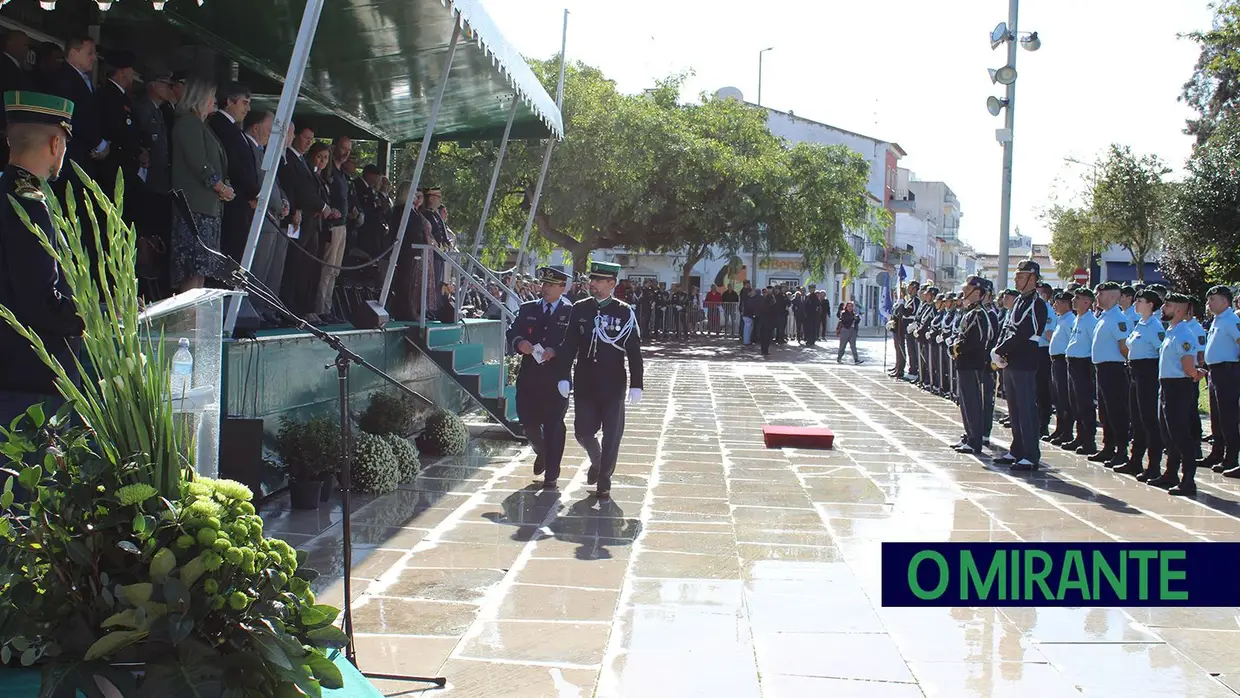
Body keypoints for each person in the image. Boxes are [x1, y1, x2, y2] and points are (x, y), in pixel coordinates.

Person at [0, 91, 85, 430]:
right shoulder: (29, 203)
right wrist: (91, 318)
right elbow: (40, 301)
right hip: (30, 376)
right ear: (54, 143)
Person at [556, 261, 643, 499]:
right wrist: (563, 375)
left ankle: (604, 479)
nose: (591, 284)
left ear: (611, 284)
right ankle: (597, 460)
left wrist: (637, 384)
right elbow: (569, 344)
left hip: (613, 381)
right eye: (591, 280)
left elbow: (634, 350)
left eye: (597, 281)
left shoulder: (624, 311)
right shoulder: (581, 308)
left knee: (612, 434)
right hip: (585, 379)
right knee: (583, 431)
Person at [508, 267, 575, 488]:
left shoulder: (570, 312)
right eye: (543, 284)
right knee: (528, 423)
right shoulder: (529, 309)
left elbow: (575, 343)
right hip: (530, 378)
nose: (544, 288)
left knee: (554, 424)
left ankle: (552, 474)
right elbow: (513, 331)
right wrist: (520, 343)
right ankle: (543, 452)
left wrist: (556, 350)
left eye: (550, 285)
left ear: (561, 288)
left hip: (557, 378)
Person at [169, 77, 233, 292]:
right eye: (212, 96)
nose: (214, 100)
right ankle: (187, 323)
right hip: (193, 209)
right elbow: (198, 162)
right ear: (200, 97)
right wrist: (220, 187)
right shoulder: (189, 122)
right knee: (191, 269)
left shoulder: (203, 125)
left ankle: (196, 322)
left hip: (207, 210)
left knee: (202, 270)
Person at [993, 259, 1049, 471]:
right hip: (1012, 360)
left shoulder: (1037, 304)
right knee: (1014, 409)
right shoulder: (1019, 302)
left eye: (1020, 276)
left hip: (1025, 360)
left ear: (1032, 278)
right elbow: (1007, 328)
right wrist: (999, 349)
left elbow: (1024, 332)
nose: (1016, 279)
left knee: (1026, 408)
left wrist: (1000, 350)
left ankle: (1030, 454)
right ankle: (1017, 449)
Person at [1151, 293, 1206, 496]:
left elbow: (1188, 366)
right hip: (1166, 385)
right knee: (1167, 432)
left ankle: (1188, 480)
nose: (1164, 307)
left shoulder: (1184, 334)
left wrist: (1196, 374)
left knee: (1180, 434)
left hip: (1178, 387)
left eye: (1168, 305)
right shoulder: (1172, 331)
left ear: (1179, 311)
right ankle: (1170, 473)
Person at [1124, 289, 1165, 480]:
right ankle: (1135, 460)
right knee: (1137, 419)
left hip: (1148, 373)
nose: (1136, 304)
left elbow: (1161, 351)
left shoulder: (1155, 326)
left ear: (1150, 304)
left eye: (1140, 301)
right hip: (1135, 372)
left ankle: (1154, 465)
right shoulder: (1140, 324)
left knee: (1149, 420)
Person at [1090, 281, 1132, 468]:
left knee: (1116, 412)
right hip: (1102, 369)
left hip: (1114, 369)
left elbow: (1124, 347)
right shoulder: (1104, 316)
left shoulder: (1118, 319)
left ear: (1114, 297)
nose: (1097, 297)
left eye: (1101, 294)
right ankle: (1108, 446)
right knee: (1105, 412)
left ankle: (1122, 450)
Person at [1203, 285, 1240, 477]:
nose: (1208, 303)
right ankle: (1217, 453)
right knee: (1216, 416)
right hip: (1215, 372)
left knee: (1228, 416)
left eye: (1212, 300)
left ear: (1225, 302)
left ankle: (1231, 457)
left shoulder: (1232, 320)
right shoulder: (1217, 320)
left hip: (1228, 371)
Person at [952, 276, 991, 455]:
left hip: (972, 363)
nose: (965, 293)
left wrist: (957, 348)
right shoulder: (970, 312)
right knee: (965, 402)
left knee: (972, 402)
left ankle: (975, 440)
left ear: (978, 293)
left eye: (968, 290)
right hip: (965, 363)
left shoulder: (979, 314)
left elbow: (975, 340)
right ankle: (969, 436)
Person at [1063, 287, 1099, 455]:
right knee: (1075, 402)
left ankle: (1088, 440)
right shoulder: (1078, 318)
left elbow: (1094, 346)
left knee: (1085, 404)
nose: (1073, 301)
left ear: (1087, 302)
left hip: (1083, 364)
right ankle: (1080, 436)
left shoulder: (1091, 322)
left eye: (1077, 298)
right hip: (1073, 364)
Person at [1047, 291, 1076, 445]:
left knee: (1064, 397)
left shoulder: (1070, 320)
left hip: (1063, 361)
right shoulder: (1061, 319)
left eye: (1058, 302)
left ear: (1066, 304)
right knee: (1057, 397)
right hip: (1056, 361)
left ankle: (1066, 431)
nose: (1055, 305)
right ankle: (1059, 429)